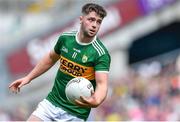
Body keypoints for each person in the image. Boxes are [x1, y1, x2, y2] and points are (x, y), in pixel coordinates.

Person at [9, 3, 111, 121]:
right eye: (91, 20)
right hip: (51, 104)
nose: (94, 25)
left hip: (75, 114)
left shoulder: (100, 53)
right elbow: (50, 58)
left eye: (98, 22)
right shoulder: (65, 38)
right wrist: (29, 77)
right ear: (81, 19)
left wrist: (97, 99)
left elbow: (102, 84)